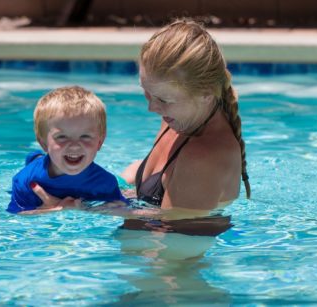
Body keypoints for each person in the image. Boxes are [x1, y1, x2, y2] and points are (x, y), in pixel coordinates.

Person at [30, 19, 250, 234]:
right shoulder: (181, 118)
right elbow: (151, 181)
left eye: (163, 100)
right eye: (147, 92)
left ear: (205, 94)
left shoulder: (202, 159)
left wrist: (77, 210)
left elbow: (173, 233)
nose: (152, 108)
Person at [7, 85, 125, 214]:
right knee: (35, 161)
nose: (74, 145)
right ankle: (36, 158)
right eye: (62, 137)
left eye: (85, 136)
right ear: (43, 143)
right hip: (37, 167)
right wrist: (53, 210)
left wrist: (84, 209)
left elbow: (120, 211)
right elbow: (17, 217)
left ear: (100, 142)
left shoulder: (105, 184)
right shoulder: (26, 180)